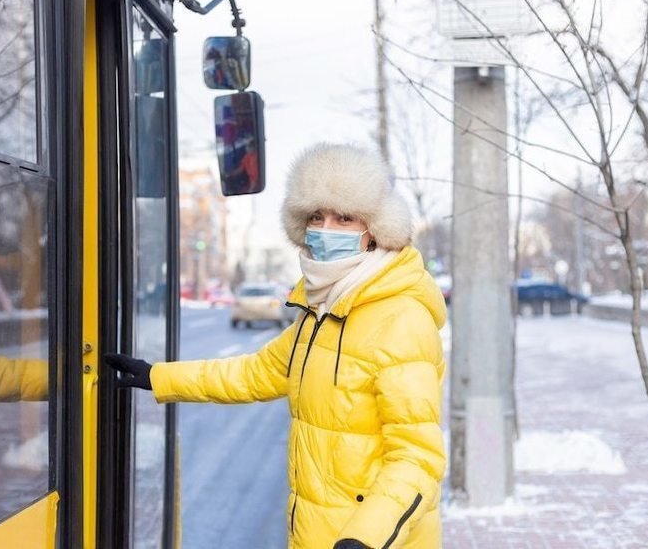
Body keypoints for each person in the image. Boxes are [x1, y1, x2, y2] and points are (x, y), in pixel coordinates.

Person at [104, 143, 447, 549]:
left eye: (344, 217)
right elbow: (253, 373)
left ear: (373, 230)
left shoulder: (400, 319)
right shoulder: (323, 310)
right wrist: (158, 376)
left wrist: (365, 537)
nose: (326, 228)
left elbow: (417, 457)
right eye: (316, 217)